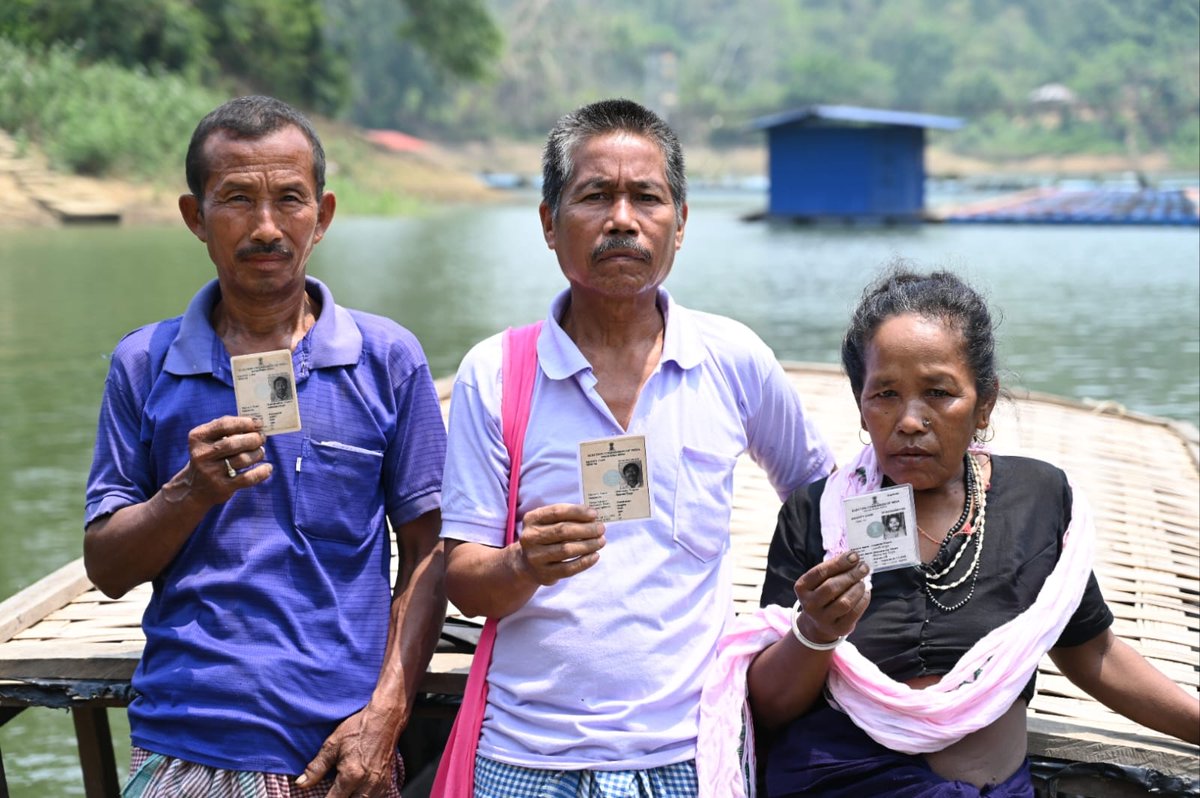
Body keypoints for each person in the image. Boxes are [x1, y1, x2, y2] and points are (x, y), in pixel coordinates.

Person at [439, 98, 835, 796]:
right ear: (548, 224)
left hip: (690, 756)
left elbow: (824, 498)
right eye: (595, 196)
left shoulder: (731, 359)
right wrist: (524, 563)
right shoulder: (495, 373)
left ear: (680, 225)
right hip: (525, 757)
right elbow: (466, 583)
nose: (622, 219)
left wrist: (786, 626)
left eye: (646, 198)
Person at [705, 268, 1200, 797]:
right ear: (860, 403)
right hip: (837, 781)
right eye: (885, 394)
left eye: (939, 393)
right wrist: (816, 632)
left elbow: (1092, 653)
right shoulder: (818, 515)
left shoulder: (1037, 498)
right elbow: (769, 707)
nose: (910, 420)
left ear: (983, 403)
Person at [83, 95, 447, 798]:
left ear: (325, 214)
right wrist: (189, 492)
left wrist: (387, 714)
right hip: (186, 739)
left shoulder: (386, 358)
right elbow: (106, 567)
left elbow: (430, 550)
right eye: (237, 200)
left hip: (342, 749)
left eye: (290, 199)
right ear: (195, 217)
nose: (266, 227)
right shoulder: (143, 363)